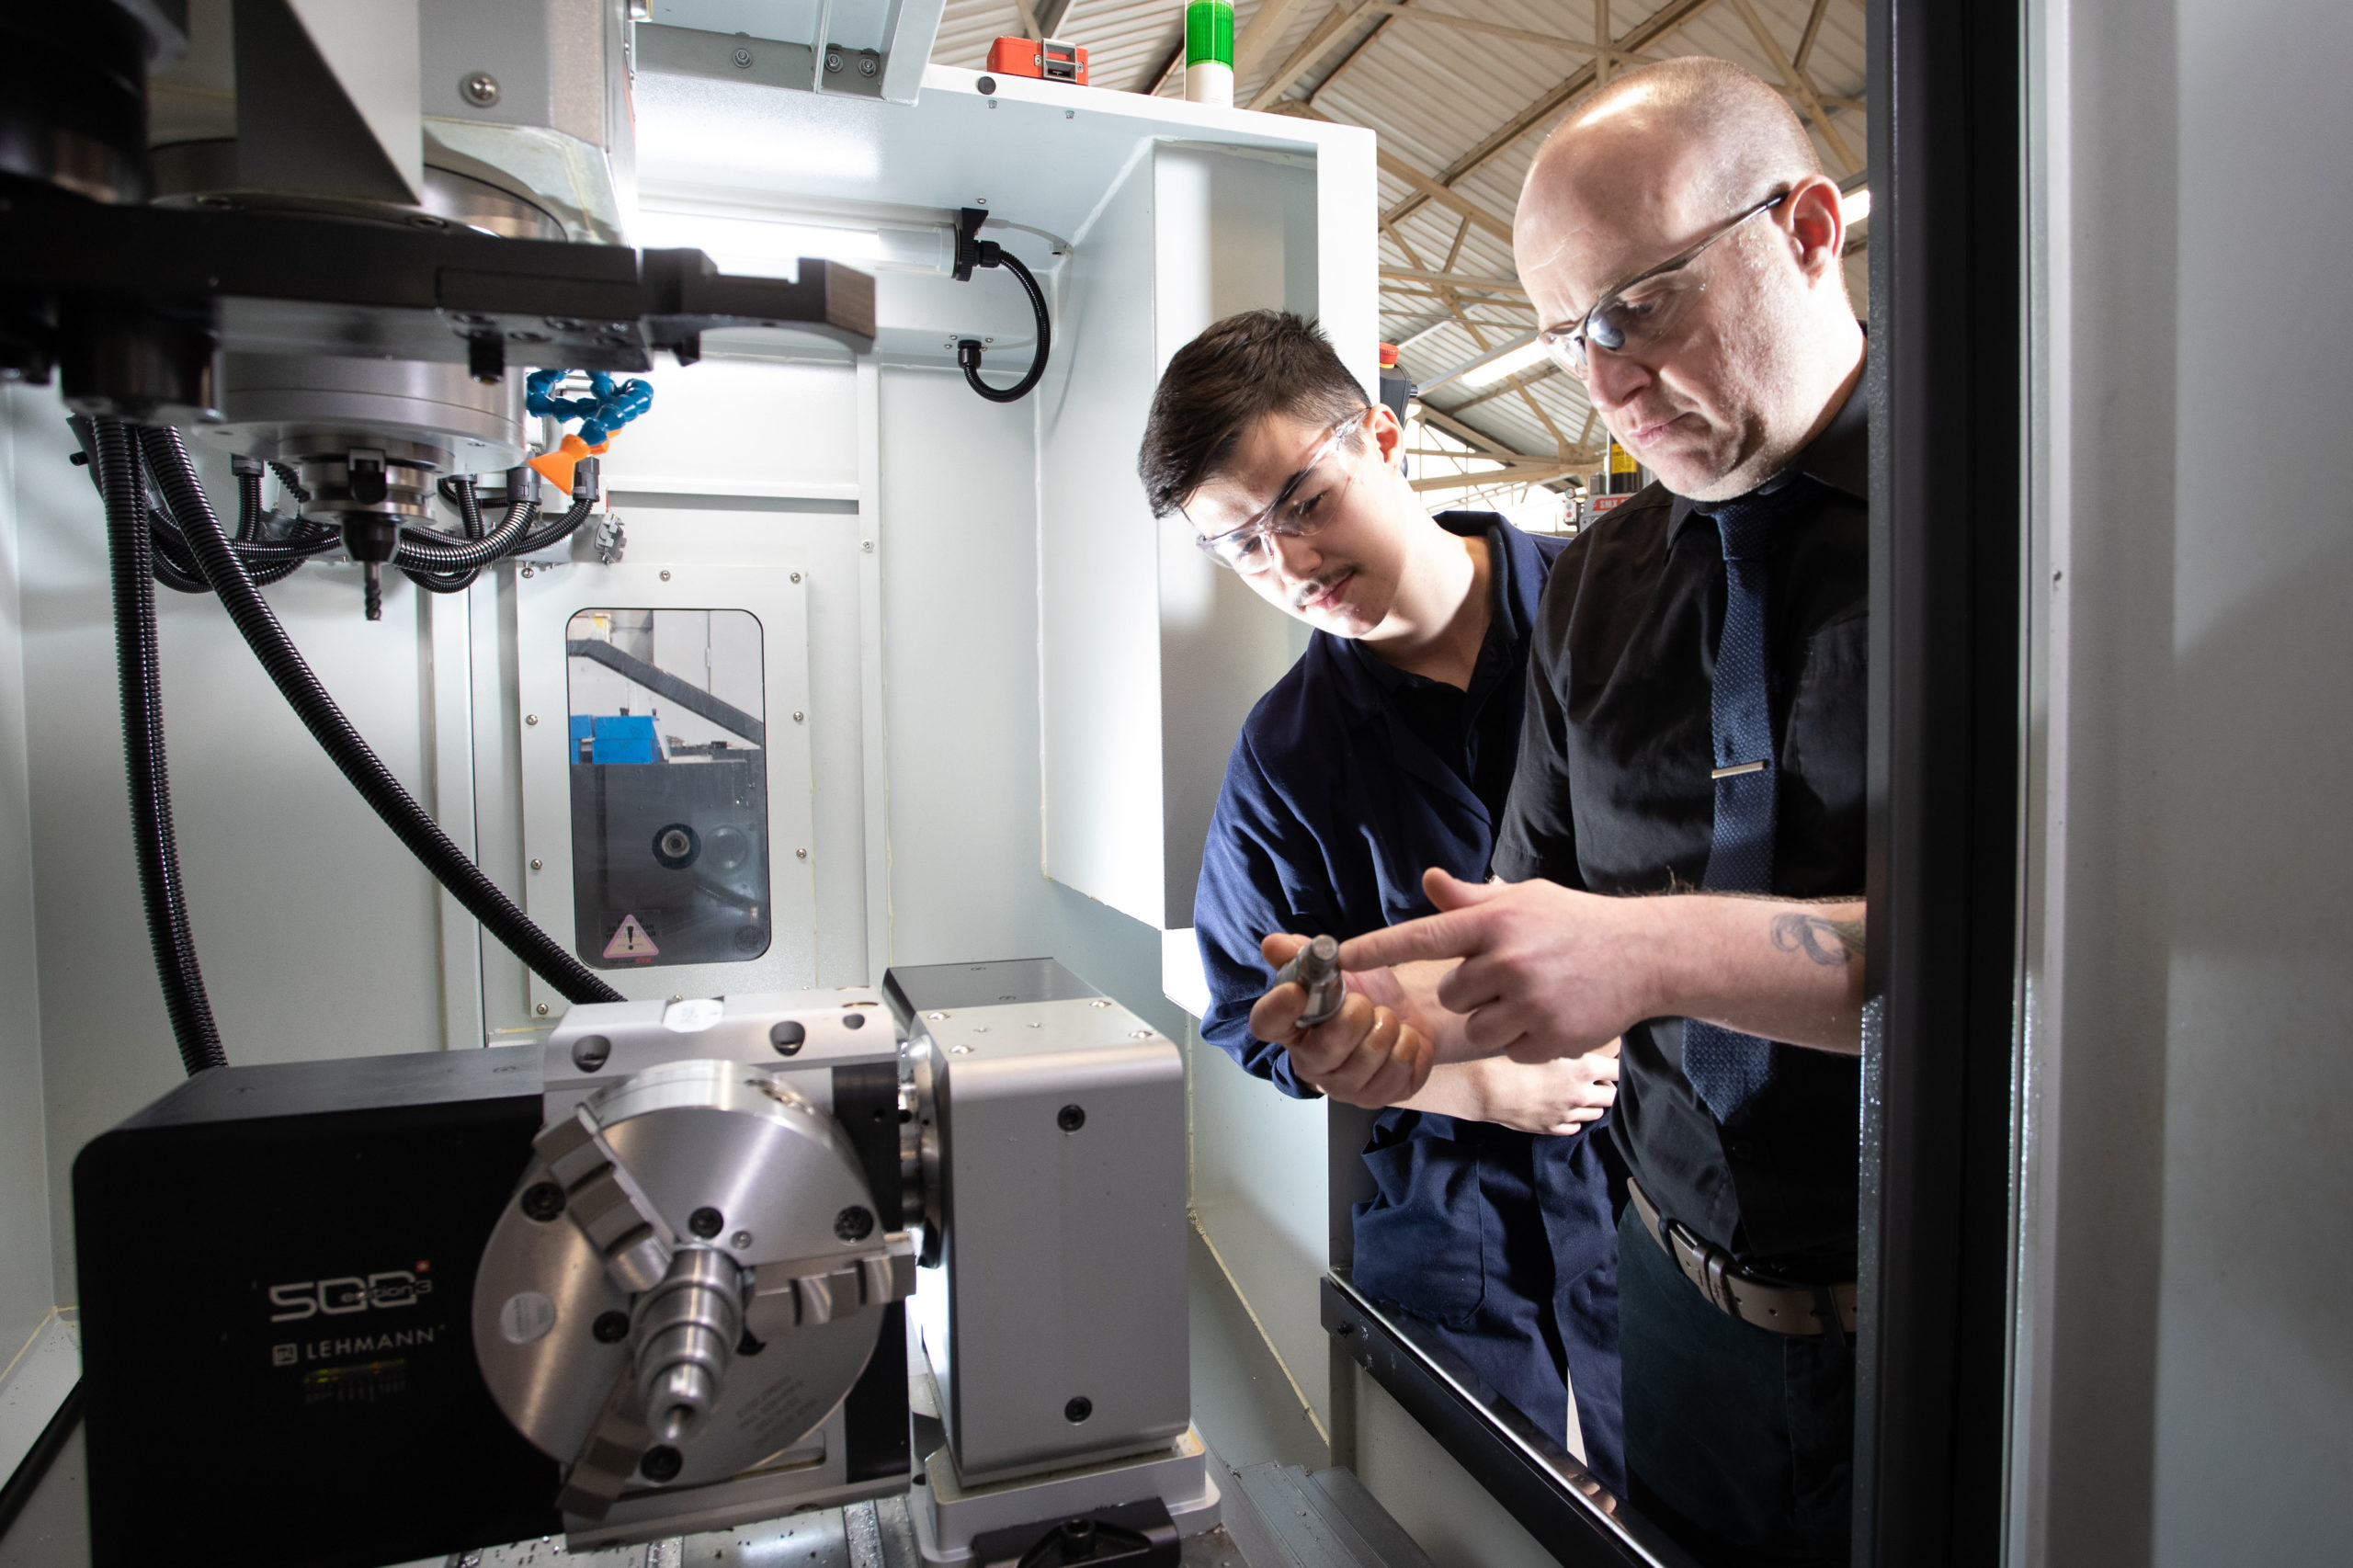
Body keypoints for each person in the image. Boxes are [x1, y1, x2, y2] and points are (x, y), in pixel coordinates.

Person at [1250, 59, 1870, 1568]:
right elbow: (1533, 921)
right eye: (1560, 337)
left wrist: (1647, 960)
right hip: (1675, 1312)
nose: (1599, 384)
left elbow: (2039, 960)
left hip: (1938, 1313)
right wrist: (1408, 1028)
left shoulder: (2020, 524)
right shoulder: (1600, 584)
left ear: (1803, 228)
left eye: (1638, 306)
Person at [1139, 310, 1625, 1490]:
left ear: (1385, 436)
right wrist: (1472, 1081)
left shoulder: (1611, 615)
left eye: (1302, 503)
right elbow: (1245, 1010)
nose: (1290, 567)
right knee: (1472, 1516)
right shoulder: (1289, 753)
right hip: (1453, 1213)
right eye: (1244, 547)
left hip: (1664, 1183)